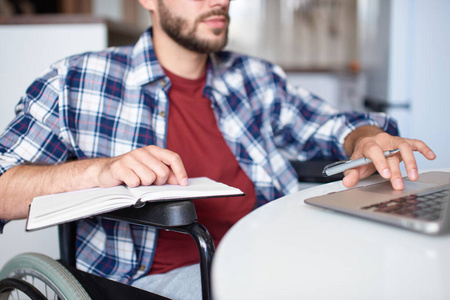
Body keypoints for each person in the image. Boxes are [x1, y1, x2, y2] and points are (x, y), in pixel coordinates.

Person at [0, 0, 436, 299]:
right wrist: (97, 172)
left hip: (276, 252)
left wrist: (365, 138)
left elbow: (331, 125)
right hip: (159, 283)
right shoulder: (78, 81)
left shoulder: (255, 79)